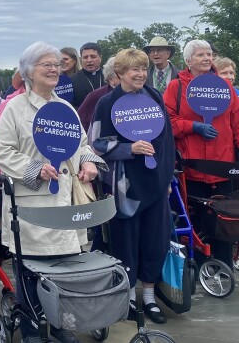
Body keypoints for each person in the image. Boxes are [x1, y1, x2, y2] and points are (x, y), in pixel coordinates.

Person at [0, 42, 100, 343]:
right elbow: (1, 151)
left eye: (56, 64)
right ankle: (32, 331)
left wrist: (88, 163)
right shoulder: (14, 108)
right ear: (28, 72)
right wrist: (33, 168)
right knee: (30, 273)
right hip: (32, 204)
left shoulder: (64, 107)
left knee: (65, 272)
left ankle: (62, 326)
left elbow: (80, 145)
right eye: (46, 65)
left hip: (64, 201)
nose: (54, 69)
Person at [90, 48, 176, 325]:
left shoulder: (155, 97)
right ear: (120, 74)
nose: (140, 74)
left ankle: (149, 297)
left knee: (155, 240)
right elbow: (96, 144)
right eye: (133, 70)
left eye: (143, 69)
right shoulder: (106, 103)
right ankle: (126, 297)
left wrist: (166, 179)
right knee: (125, 242)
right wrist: (129, 148)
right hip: (124, 187)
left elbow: (166, 143)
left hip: (155, 184)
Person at [163, 40, 239, 269]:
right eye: (200, 54)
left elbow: (238, 123)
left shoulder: (224, 87)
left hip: (222, 165)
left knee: (222, 218)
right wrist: (193, 127)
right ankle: (201, 263)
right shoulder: (176, 87)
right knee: (197, 218)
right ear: (188, 61)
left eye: (209, 54)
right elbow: (167, 122)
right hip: (193, 167)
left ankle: (224, 263)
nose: (206, 58)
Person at [77, 56, 118, 127]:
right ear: (111, 80)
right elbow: (79, 122)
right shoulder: (96, 96)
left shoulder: (141, 93)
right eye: (122, 74)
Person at [71, 42, 105, 108]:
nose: (89, 60)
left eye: (93, 57)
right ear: (81, 59)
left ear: (100, 58)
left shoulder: (110, 77)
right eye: (85, 57)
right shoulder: (72, 80)